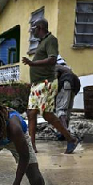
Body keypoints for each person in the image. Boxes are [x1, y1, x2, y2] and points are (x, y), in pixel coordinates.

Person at [21, 18, 79, 154]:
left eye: (34, 28)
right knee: (31, 113)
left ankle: (71, 139)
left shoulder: (51, 40)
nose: (32, 31)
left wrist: (33, 64)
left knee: (47, 115)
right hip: (38, 84)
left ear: (40, 27)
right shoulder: (42, 42)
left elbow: (53, 59)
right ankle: (31, 146)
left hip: (46, 82)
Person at [53, 64, 80, 141]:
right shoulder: (65, 68)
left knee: (60, 109)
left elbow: (54, 82)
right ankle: (64, 132)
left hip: (66, 82)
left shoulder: (54, 67)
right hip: (75, 84)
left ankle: (65, 133)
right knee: (67, 110)